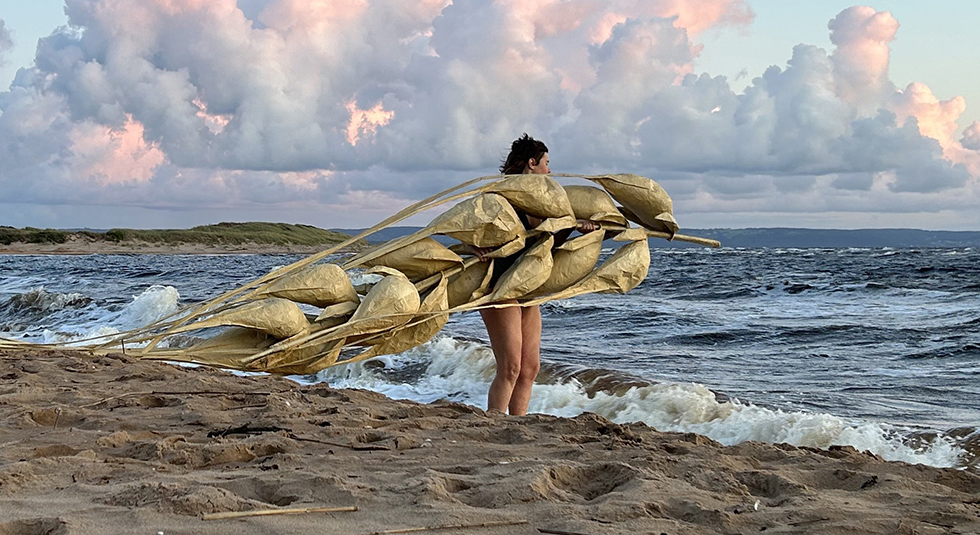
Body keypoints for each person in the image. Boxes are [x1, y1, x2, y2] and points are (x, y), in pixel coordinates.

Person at [478, 134, 597, 415]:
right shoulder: (499, 197)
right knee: (510, 367)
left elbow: (548, 244)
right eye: (546, 163)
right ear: (532, 163)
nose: (550, 170)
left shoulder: (546, 204)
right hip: (499, 288)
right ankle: (492, 424)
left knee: (530, 368)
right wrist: (474, 247)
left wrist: (577, 228)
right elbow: (470, 226)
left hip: (528, 290)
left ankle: (516, 424)